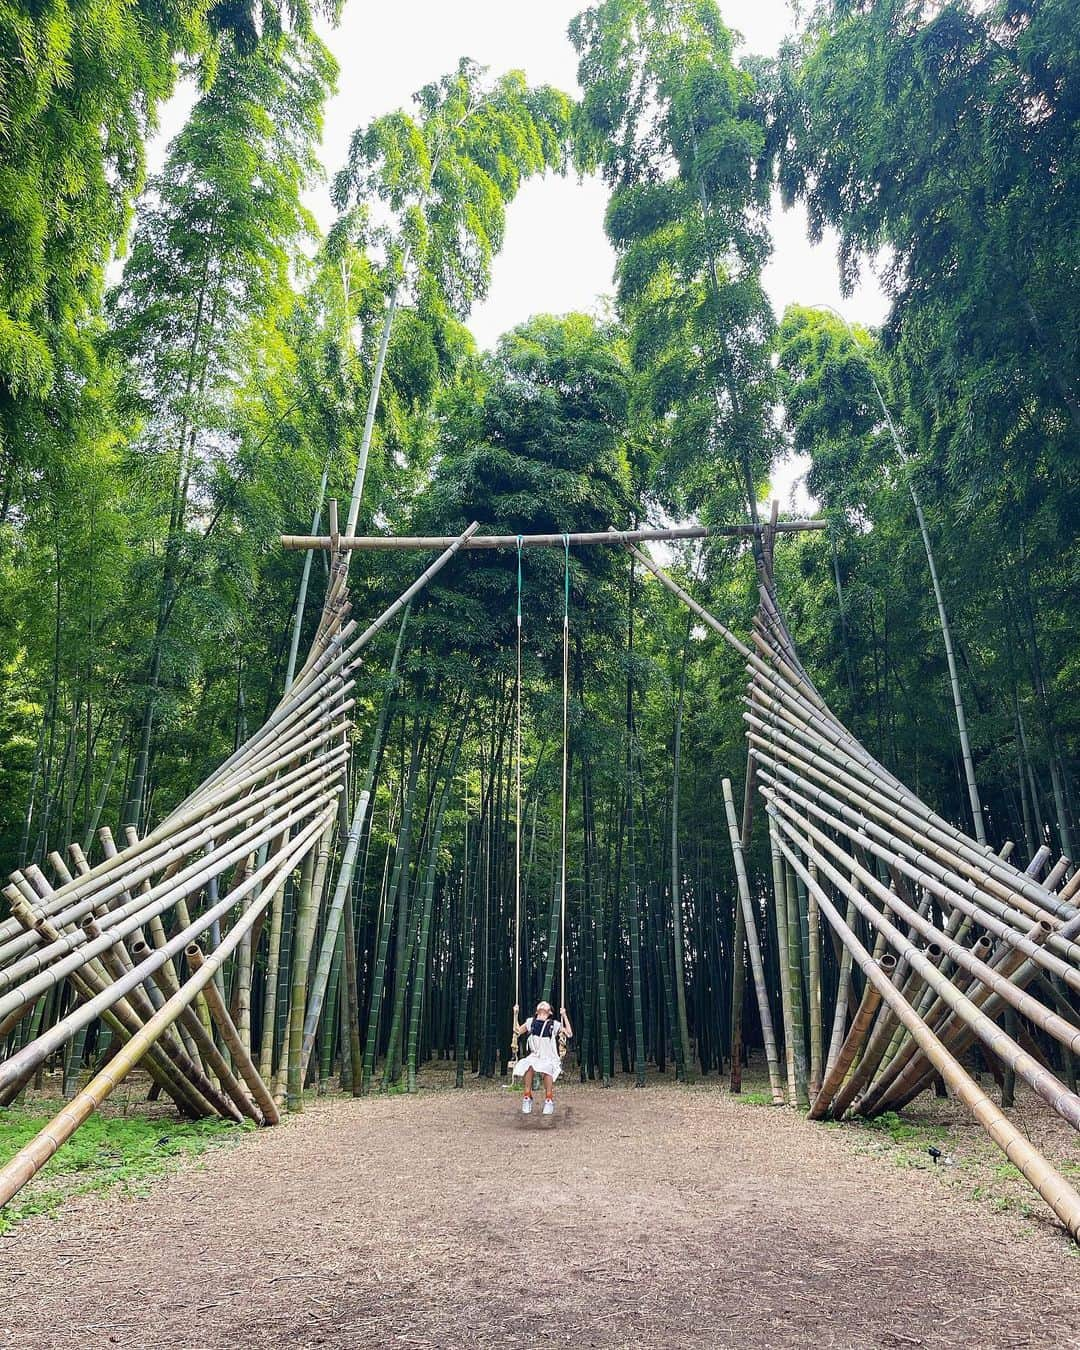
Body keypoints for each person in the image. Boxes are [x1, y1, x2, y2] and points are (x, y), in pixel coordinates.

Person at [511, 1001, 573, 1115]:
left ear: (549, 1012)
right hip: (535, 1055)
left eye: (545, 1004)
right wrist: (515, 1014)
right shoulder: (531, 1022)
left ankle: (549, 1099)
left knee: (547, 1068)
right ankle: (527, 1096)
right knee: (527, 1065)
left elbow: (569, 1033)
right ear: (536, 1011)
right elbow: (517, 1031)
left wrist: (564, 1015)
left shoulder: (554, 1024)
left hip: (549, 1056)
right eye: (541, 1004)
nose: (543, 1004)